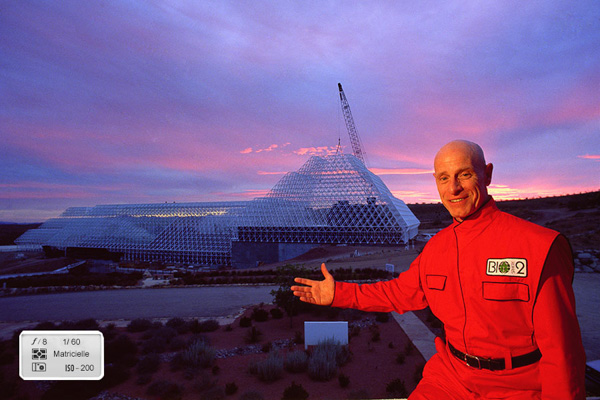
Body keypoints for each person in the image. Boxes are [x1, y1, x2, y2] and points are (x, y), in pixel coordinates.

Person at [291, 140, 586, 399]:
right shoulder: (437, 248)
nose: (453, 188)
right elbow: (398, 294)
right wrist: (339, 294)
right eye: (444, 178)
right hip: (451, 380)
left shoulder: (539, 247)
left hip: (519, 386)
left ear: (487, 174)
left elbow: (563, 351)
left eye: (465, 175)